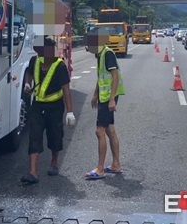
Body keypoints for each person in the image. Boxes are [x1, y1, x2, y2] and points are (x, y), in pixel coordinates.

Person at [21, 36, 76, 185]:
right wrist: (27, 84)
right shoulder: (35, 61)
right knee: (34, 136)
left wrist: (70, 112)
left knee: (55, 136)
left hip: (55, 107)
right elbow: (29, 73)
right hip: (38, 106)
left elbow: (66, 90)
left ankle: (54, 162)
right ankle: (33, 172)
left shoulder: (60, 66)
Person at [85, 28, 126, 180]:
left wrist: (111, 100)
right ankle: (116, 165)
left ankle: (100, 168)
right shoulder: (101, 54)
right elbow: (102, 77)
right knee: (109, 130)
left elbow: (115, 76)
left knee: (99, 131)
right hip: (104, 96)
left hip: (108, 97)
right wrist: (96, 94)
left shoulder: (107, 53)